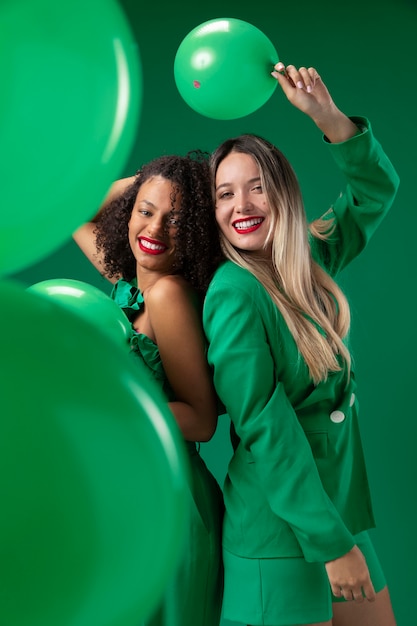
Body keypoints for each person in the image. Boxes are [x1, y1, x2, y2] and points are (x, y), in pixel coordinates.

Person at [203, 61, 400, 626]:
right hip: (279, 529)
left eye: (257, 187)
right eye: (225, 194)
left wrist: (327, 116)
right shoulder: (233, 293)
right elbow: (266, 426)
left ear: (282, 193)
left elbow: (374, 192)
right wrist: (331, 545)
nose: (242, 206)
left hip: (337, 512)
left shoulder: (304, 259)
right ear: (213, 212)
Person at [73, 151, 224, 626]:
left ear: (197, 229)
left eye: (176, 219)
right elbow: (72, 206)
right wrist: (153, 177)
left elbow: (201, 421)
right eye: (145, 211)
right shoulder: (131, 285)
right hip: (136, 490)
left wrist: (114, 404)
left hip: (172, 498)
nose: (154, 230)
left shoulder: (167, 295)